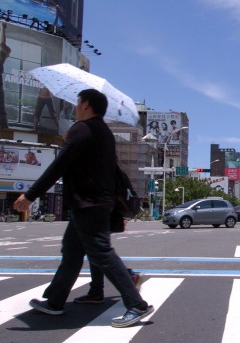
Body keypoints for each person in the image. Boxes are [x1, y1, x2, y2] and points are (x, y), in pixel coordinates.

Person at [13, 89, 154, 328]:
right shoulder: (104, 132)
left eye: (78, 102)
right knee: (71, 253)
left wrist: (30, 195)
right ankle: (55, 302)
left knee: (101, 253)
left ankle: (136, 304)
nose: (75, 107)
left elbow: (58, 166)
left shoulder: (82, 130)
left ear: (86, 104)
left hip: (88, 203)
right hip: (96, 202)